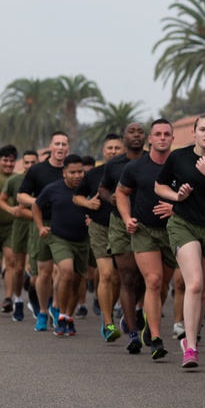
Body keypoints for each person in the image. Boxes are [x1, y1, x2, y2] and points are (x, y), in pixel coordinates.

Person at [153, 114, 205, 368]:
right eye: (203, 129)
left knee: (204, 289)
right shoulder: (179, 157)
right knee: (194, 284)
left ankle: (191, 337)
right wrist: (177, 196)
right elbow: (158, 186)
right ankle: (191, 347)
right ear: (193, 133)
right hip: (184, 225)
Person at [116, 119, 177, 361]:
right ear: (150, 139)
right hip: (144, 231)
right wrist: (126, 217)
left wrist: (176, 209)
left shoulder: (181, 165)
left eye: (167, 134)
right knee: (153, 280)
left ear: (173, 138)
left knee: (162, 287)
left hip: (174, 231)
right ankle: (155, 338)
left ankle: (146, 315)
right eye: (157, 134)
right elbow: (121, 192)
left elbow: (196, 196)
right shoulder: (135, 167)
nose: (162, 138)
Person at [100, 122, 149, 353]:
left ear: (146, 137)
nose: (137, 135)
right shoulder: (113, 164)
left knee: (143, 279)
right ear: (124, 137)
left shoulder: (153, 161)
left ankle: (130, 313)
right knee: (128, 277)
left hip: (147, 224)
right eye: (132, 132)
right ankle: (133, 333)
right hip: (120, 223)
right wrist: (110, 197)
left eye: (140, 132)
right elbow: (102, 188)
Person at [73, 134, 124, 341]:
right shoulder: (93, 174)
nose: (113, 151)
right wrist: (87, 204)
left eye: (117, 148)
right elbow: (76, 195)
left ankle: (109, 309)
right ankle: (107, 322)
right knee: (106, 274)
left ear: (124, 149)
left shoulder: (130, 170)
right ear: (103, 151)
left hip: (123, 228)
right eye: (109, 148)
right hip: (99, 228)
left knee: (120, 277)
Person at [32, 153, 90, 336]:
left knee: (78, 282)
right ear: (64, 173)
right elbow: (36, 206)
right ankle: (60, 315)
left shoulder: (89, 188)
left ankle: (68, 317)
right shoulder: (53, 189)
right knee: (66, 272)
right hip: (59, 238)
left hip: (83, 240)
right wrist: (40, 226)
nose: (77, 175)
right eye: (72, 172)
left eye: (80, 171)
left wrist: (92, 219)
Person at [18, 132, 70, 329]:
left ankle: (57, 307)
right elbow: (21, 196)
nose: (60, 147)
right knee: (44, 273)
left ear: (68, 147)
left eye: (64, 144)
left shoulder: (72, 170)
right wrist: (40, 201)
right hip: (43, 224)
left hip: (66, 224)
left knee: (65, 272)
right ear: (50, 146)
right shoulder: (38, 170)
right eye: (57, 143)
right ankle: (42, 311)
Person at [1, 150, 39, 322]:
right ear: (22, 163)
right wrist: (12, 210)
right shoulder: (14, 180)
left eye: (33, 162)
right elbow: (2, 199)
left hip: (38, 225)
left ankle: (39, 301)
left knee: (38, 269)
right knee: (17, 268)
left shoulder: (43, 179)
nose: (30, 166)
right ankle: (17, 300)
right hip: (19, 227)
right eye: (27, 162)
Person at [0, 145, 19, 316]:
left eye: (11, 161)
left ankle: (8, 299)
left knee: (11, 261)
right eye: (5, 160)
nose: (8, 163)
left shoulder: (17, 179)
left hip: (11, 228)